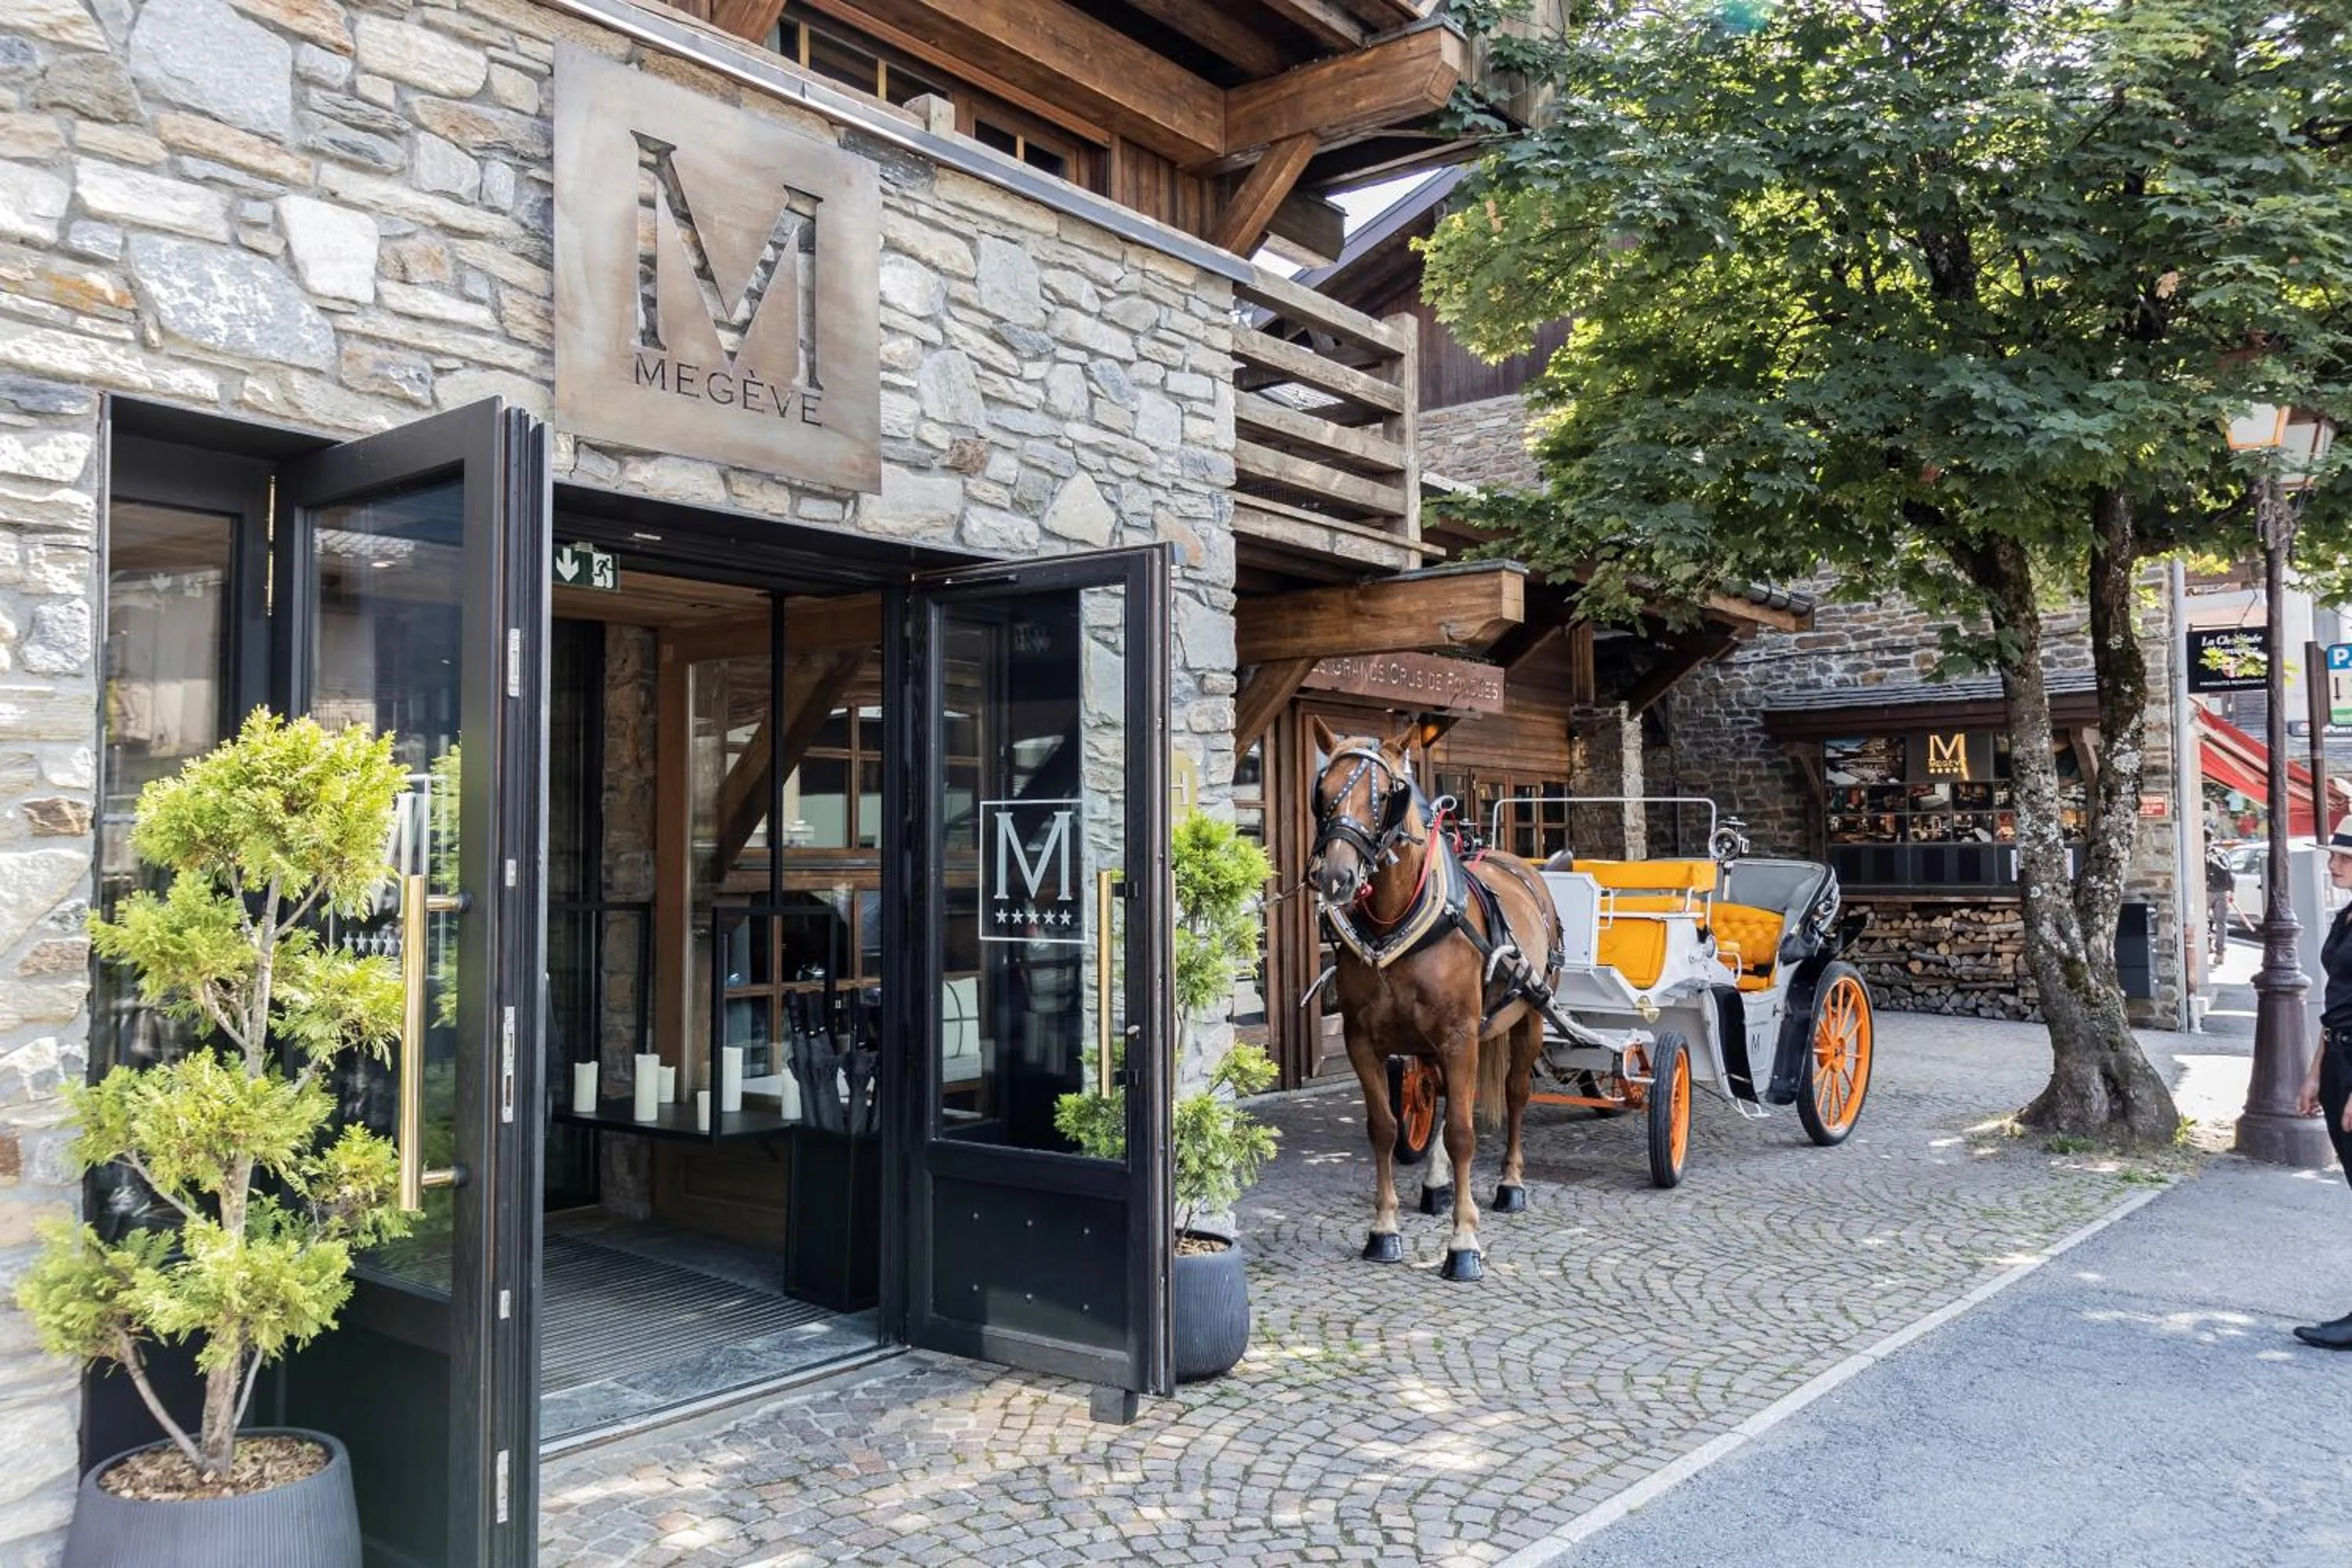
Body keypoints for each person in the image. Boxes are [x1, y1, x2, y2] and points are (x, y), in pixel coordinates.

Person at [2291, 826, 2352, 1349]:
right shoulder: (2347, 917)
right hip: (2339, 1056)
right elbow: (2338, 1005)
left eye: (2343, 858)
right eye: (2334, 856)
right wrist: (2316, 1071)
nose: (2333, 866)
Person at [2205, 837, 2235, 962]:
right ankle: (2220, 954)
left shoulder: (2200, 852)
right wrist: (2232, 891)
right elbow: (2231, 875)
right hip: (2223, 892)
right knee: (2221, 924)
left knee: (2202, 921)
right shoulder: (2221, 853)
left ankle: (2206, 946)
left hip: (2206, 891)